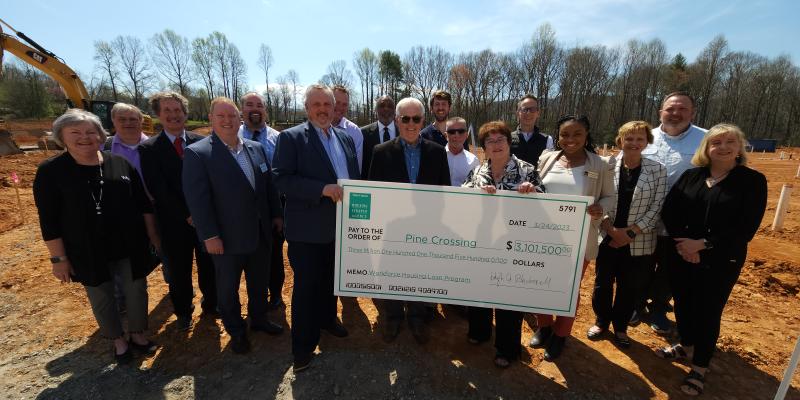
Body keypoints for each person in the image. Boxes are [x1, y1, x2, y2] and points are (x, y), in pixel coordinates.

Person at [33, 109, 161, 364]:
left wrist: (153, 236)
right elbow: (49, 220)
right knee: (101, 295)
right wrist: (58, 259)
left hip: (130, 243)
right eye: (76, 133)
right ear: (62, 137)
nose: (85, 138)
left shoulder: (118, 162)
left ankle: (137, 333)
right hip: (86, 248)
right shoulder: (51, 171)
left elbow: (143, 204)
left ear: (101, 135)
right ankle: (117, 340)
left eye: (91, 132)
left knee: (136, 289)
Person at [656, 123, 766, 396]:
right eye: (716, 142)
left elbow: (745, 228)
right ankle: (686, 345)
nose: (723, 147)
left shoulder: (752, 181)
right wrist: (684, 244)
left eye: (730, 141)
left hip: (721, 259)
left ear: (740, 147)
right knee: (682, 302)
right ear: (706, 148)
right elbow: (670, 211)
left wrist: (702, 245)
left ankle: (700, 367)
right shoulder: (692, 176)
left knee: (708, 310)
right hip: (681, 253)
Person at [183, 97, 284, 354]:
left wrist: (277, 215)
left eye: (232, 116)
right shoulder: (199, 153)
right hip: (226, 239)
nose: (227, 121)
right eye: (221, 116)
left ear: (240, 118)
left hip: (260, 234)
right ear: (211, 119)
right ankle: (236, 330)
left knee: (259, 283)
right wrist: (209, 235)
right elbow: (198, 200)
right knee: (227, 288)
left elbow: (268, 187)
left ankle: (259, 320)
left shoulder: (255, 148)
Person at [272, 84, 360, 372]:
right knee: (307, 288)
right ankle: (303, 347)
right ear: (307, 108)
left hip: (341, 228)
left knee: (331, 282)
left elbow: (353, 180)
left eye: (327, 104)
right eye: (316, 104)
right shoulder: (292, 138)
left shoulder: (345, 139)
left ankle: (328, 320)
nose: (323, 109)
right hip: (307, 231)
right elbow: (282, 180)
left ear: (335, 107)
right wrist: (321, 188)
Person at [530, 114, 615, 361]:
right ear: (558, 136)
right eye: (565, 134)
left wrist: (602, 208)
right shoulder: (547, 158)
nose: (570, 139)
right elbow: (536, 188)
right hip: (542, 236)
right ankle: (544, 326)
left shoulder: (599, 164)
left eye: (577, 134)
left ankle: (561, 334)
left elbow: (610, 196)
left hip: (578, 239)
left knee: (567, 289)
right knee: (539, 283)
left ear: (586, 135)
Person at [368, 97, 451, 344]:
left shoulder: (437, 152)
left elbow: (444, 190)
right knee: (392, 272)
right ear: (397, 120)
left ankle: (416, 317)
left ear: (423, 121)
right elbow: (375, 192)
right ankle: (393, 317)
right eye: (405, 119)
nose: (411, 124)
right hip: (393, 228)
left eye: (416, 119)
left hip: (425, 227)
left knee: (419, 272)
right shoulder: (381, 152)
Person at [462, 121, 542, 368]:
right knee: (479, 289)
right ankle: (480, 331)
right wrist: (475, 194)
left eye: (500, 140)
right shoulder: (477, 172)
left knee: (508, 296)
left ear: (509, 142)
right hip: (481, 241)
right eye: (490, 141)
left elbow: (544, 203)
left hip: (513, 244)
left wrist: (533, 191)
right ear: (483, 146)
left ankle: (506, 348)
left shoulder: (527, 170)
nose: (495, 145)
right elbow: (461, 197)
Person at [139, 91, 217, 331]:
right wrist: (188, 213)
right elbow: (158, 189)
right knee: (178, 270)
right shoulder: (149, 149)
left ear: (185, 113)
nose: (174, 116)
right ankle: (183, 311)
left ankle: (212, 305)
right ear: (158, 115)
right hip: (173, 222)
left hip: (204, 220)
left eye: (178, 111)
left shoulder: (203, 142)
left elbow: (210, 181)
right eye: (167, 111)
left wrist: (202, 214)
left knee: (209, 265)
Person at [588, 121, 667, 348]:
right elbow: (595, 199)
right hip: (606, 236)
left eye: (639, 139)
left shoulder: (658, 169)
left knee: (629, 286)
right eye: (628, 138)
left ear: (646, 142)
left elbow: (657, 206)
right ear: (620, 140)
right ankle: (602, 320)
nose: (633, 143)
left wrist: (630, 233)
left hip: (639, 240)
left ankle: (621, 328)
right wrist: (611, 230)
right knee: (603, 283)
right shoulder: (605, 165)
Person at [637, 91, 707, 334]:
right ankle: (636, 305)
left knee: (670, 268)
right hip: (643, 218)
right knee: (640, 265)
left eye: (682, 109)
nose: (675, 114)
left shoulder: (705, 140)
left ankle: (658, 307)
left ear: (692, 113)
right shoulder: (645, 137)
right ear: (660, 112)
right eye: (670, 109)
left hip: (681, 221)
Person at [237, 91, 285, 310]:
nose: (255, 109)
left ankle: (275, 294)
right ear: (242, 109)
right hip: (239, 211)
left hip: (272, 208)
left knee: (274, 254)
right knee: (242, 257)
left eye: (259, 105)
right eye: (249, 104)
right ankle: (250, 298)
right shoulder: (231, 135)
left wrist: (278, 211)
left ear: (265, 110)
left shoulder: (278, 138)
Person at [106, 103, 153, 313]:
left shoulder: (154, 146)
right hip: (121, 214)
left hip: (155, 209)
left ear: (141, 121)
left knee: (164, 250)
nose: (128, 123)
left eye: (133, 119)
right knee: (122, 257)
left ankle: (175, 287)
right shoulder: (104, 147)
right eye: (122, 119)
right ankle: (122, 299)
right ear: (113, 121)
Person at [509, 94, 553, 166]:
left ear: (538, 113)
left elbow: (549, 166)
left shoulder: (547, 140)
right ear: (518, 113)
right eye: (524, 109)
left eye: (532, 109)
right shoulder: (507, 138)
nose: (528, 113)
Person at [360, 95, 397, 179]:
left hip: (398, 187)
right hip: (372, 186)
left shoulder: (403, 133)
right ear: (376, 110)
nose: (386, 109)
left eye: (390, 106)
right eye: (382, 106)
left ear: (395, 111)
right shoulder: (362, 133)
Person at [332, 85, 365, 173]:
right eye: (337, 102)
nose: (340, 107)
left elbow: (357, 168)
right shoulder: (317, 128)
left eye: (344, 104)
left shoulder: (354, 132)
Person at [445, 117, 480, 187]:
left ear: (466, 135)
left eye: (461, 131)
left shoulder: (474, 160)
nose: (456, 135)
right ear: (446, 135)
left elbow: (477, 185)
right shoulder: (435, 157)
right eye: (452, 132)